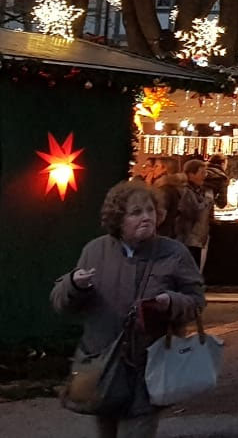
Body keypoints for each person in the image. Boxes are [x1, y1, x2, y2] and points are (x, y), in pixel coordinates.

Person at [52, 179, 205, 438]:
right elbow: (61, 304)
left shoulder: (174, 252)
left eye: (150, 210)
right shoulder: (95, 250)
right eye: (136, 212)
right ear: (118, 219)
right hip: (103, 367)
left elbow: (196, 301)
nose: (146, 217)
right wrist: (74, 285)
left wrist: (171, 302)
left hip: (148, 368)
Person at [178, 160, 217, 268]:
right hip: (189, 238)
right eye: (202, 173)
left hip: (197, 238)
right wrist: (207, 201)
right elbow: (189, 213)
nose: (205, 176)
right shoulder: (186, 192)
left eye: (205, 173)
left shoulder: (199, 190)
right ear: (191, 175)